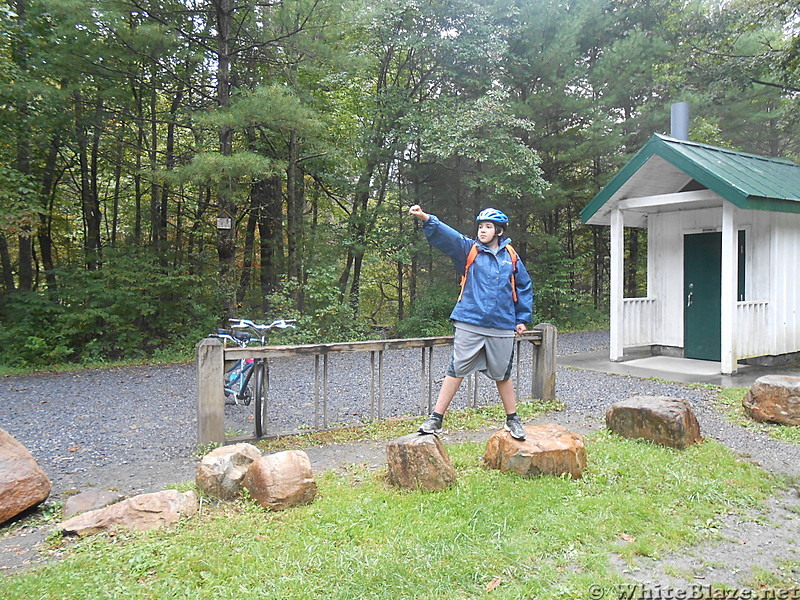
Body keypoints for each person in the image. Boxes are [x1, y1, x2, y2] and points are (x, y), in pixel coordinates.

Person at [408, 204, 533, 440]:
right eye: (480, 226)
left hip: (502, 324)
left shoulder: (512, 257)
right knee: (456, 369)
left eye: (488, 227)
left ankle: (512, 419)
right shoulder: (469, 249)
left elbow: (524, 287)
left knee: (503, 373)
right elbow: (449, 236)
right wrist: (426, 217)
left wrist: (522, 318)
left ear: (499, 231)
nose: (482, 230)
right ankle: (436, 418)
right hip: (470, 320)